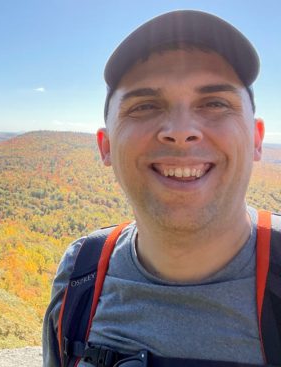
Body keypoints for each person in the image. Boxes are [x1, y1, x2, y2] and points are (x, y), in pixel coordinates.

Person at [43, 10, 281, 367]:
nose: (180, 129)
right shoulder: (82, 271)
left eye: (215, 103)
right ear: (106, 147)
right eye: (145, 105)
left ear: (256, 139)